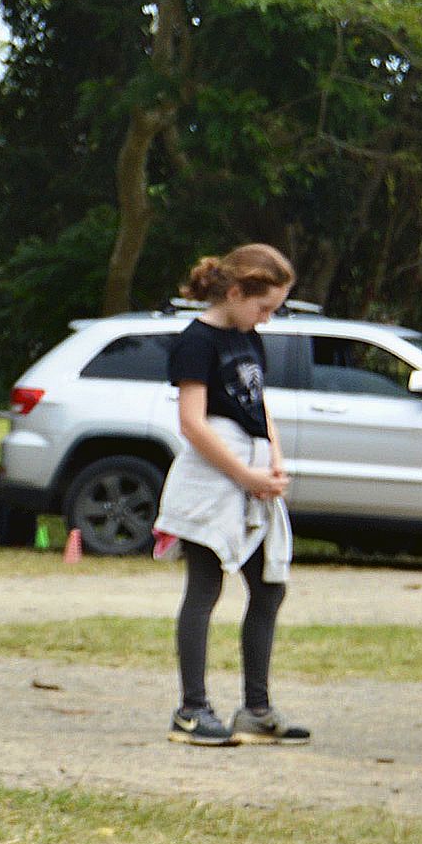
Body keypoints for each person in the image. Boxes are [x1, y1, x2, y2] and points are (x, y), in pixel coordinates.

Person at [157, 244, 308, 747]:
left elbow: (257, 404)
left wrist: (275, 457)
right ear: (237, 290)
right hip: (213, 480)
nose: (266, 319)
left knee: (268, 587)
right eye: (264, 307)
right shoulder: (196, 343)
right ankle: (191, 711)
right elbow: (191, 423)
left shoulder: (248, 337)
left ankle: (256, 710)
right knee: (205, 588)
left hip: (253, 475)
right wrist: (245, 475)